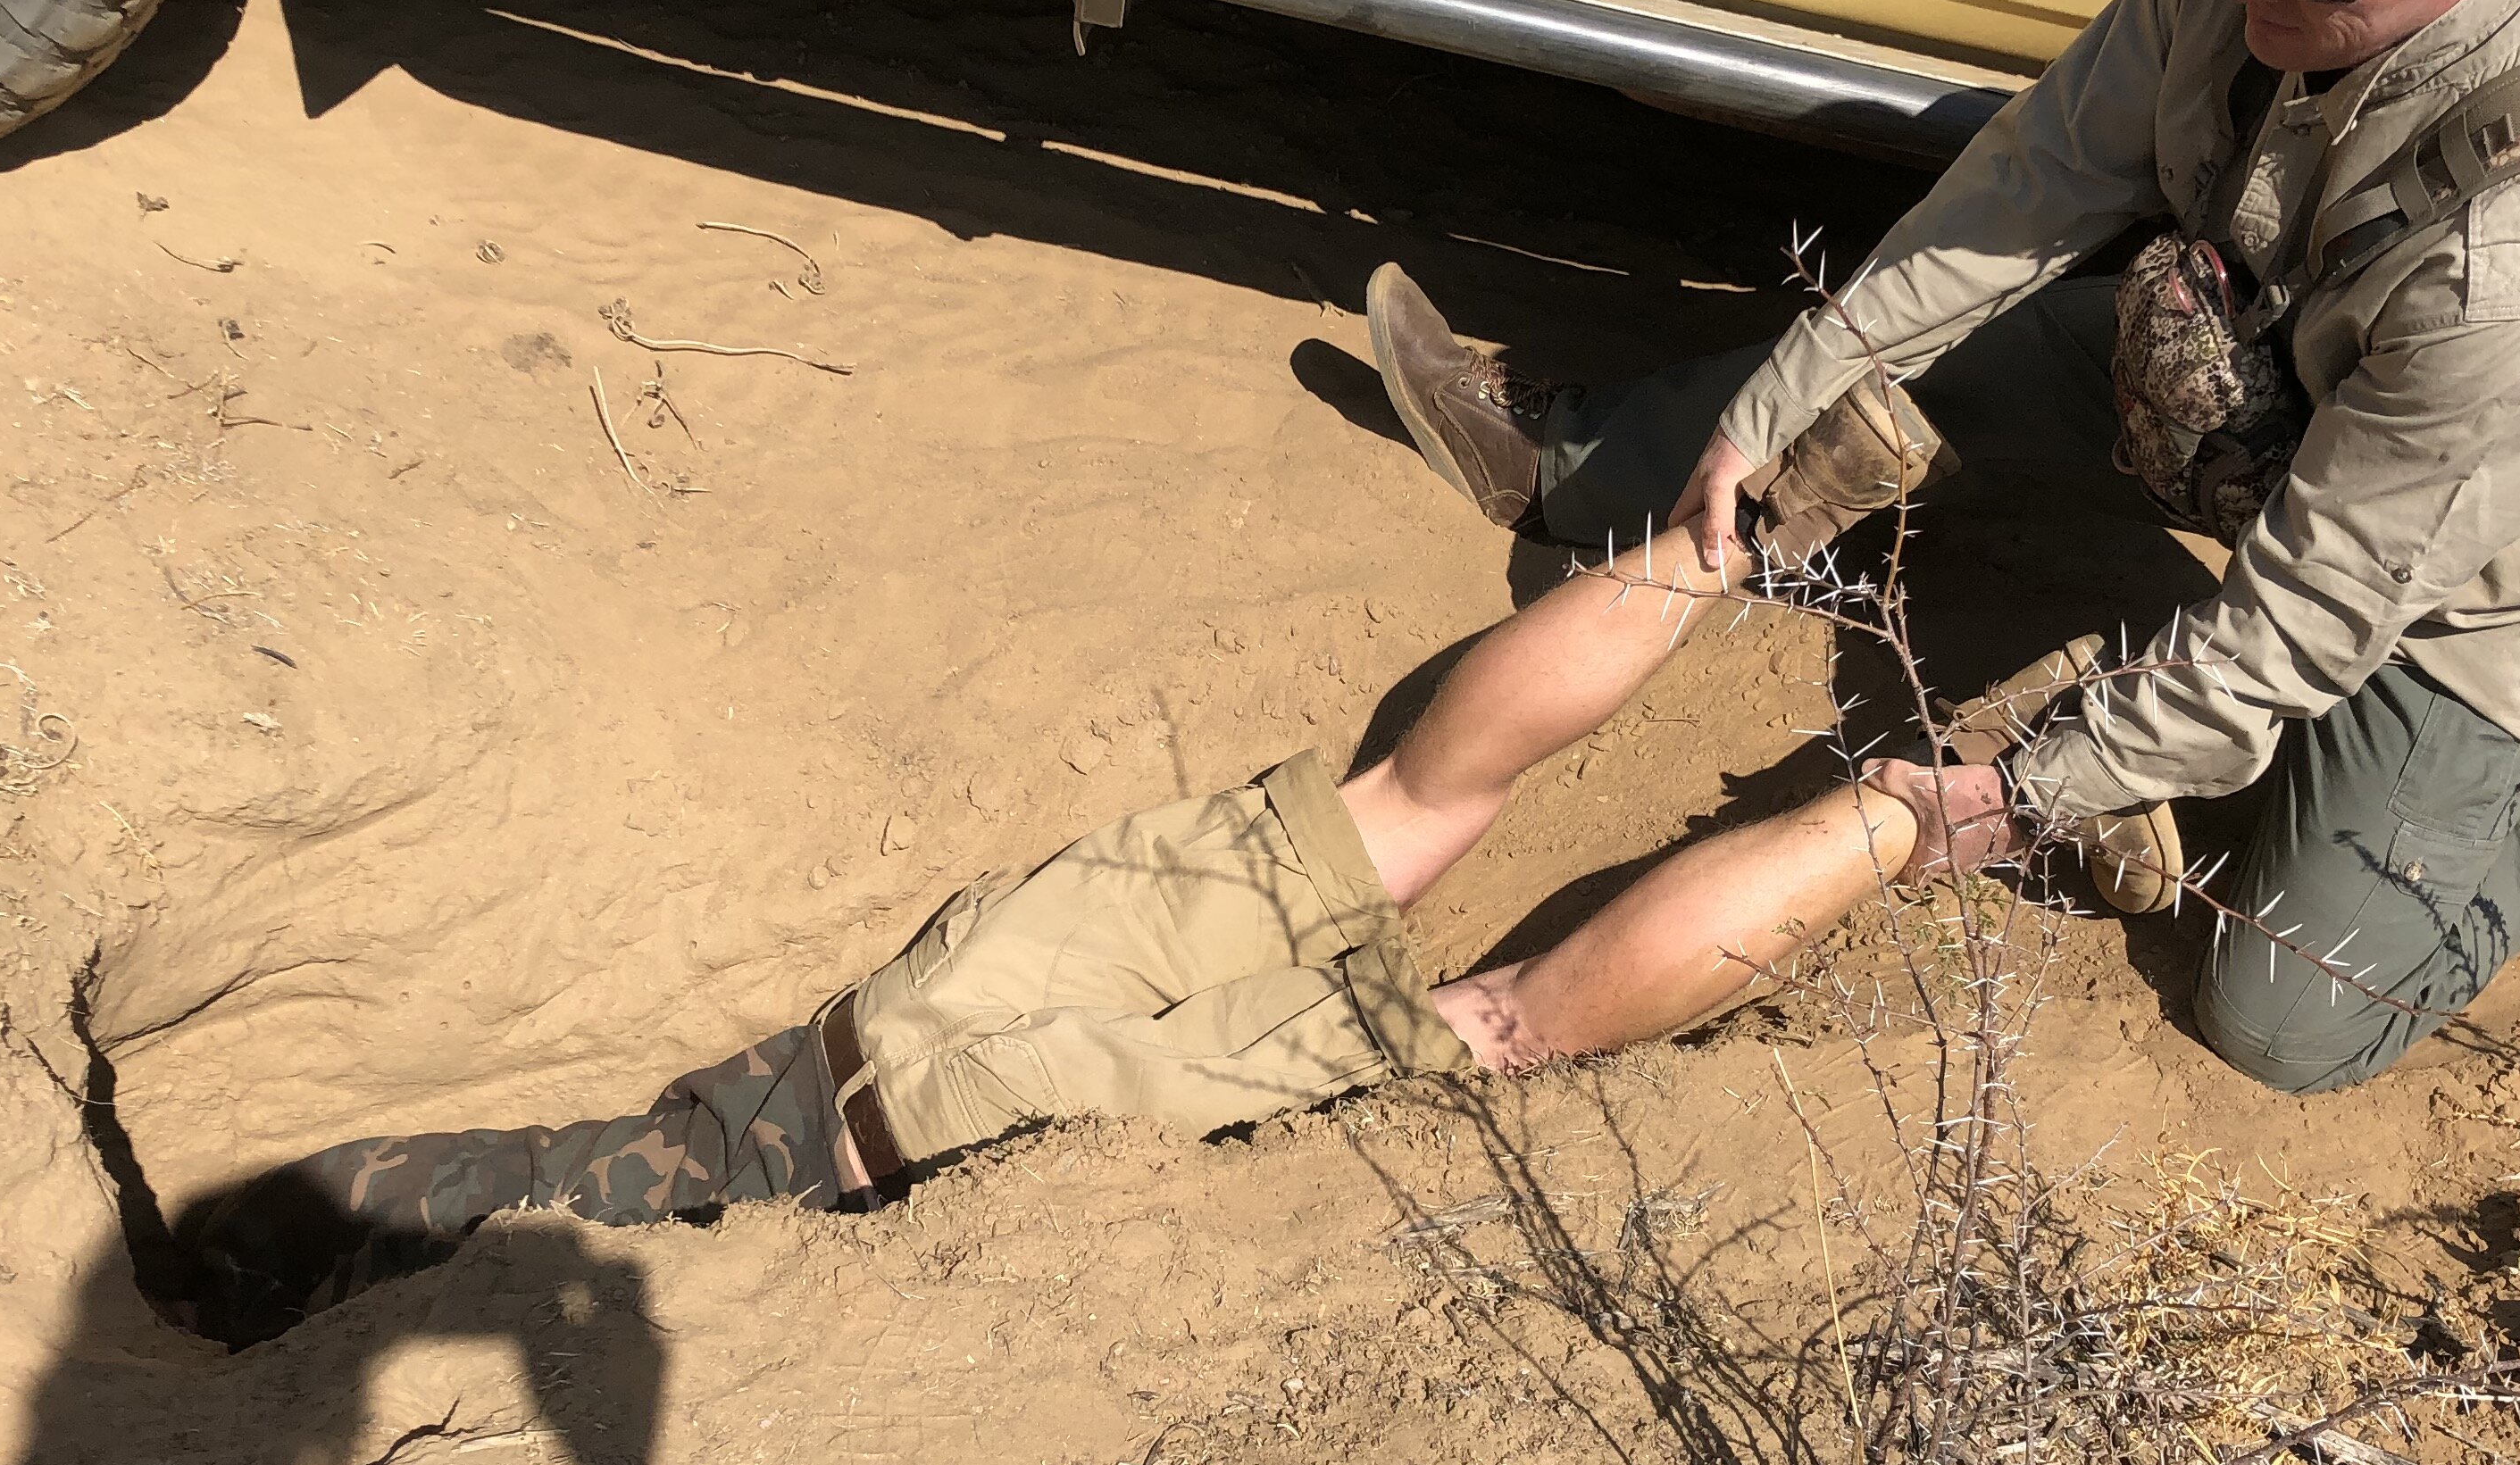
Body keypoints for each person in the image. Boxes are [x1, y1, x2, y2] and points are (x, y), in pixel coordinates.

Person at [1366, 0, 2520, 1095]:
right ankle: (1589, 457)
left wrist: (2030, 790)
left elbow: (2322, 606)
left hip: (2483, 586)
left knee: (2282, 1015)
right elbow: (2020, 197)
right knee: (1888, 385)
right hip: (2256, 390)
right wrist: (1771, 412)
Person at [172, 460, 2051, 1310]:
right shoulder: (534, 1186)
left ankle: (1915, 795)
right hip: (893, 1046)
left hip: (924, 1095)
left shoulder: (580, 1212)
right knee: (1403, 820)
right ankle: (1746, 543)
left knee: (1493, 998)